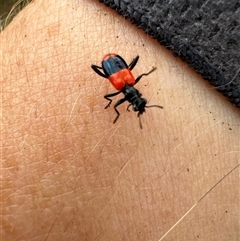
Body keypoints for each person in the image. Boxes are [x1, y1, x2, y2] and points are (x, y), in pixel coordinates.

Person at [2, 1, 239, 240]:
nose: (133, 100)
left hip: (114, 62)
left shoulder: (123, 84)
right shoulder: (124, 83)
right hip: (112, 61)